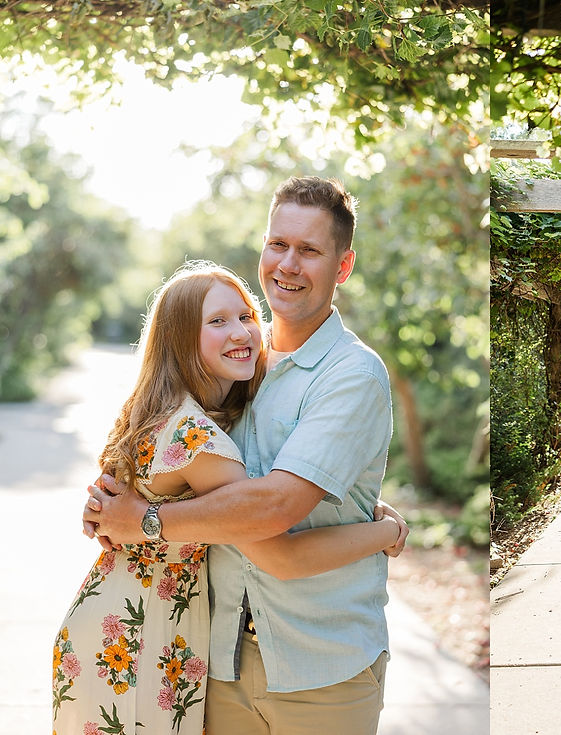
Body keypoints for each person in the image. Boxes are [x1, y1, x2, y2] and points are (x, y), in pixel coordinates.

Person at [83, 176, 406, 734]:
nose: (288, 264)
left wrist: (148, 522)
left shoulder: (351, 374)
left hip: (321, 671)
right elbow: (165, 450)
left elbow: (275, 507)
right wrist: (115, 499)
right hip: (218, 666)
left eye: (309, 250)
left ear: (343, 267)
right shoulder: (236, 372)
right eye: (278, 244)